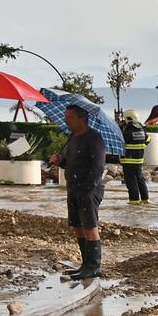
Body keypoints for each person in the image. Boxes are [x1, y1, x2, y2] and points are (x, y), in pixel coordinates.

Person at [50, 103, 106, 280]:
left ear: (82, 118)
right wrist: (60, 162)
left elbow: (98, 168)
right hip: (73, 188)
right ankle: (85, 264)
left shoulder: (94, 139)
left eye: (70, 118)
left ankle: (94, 266)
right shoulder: (72, 137)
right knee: (77, 226)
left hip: (89, 190)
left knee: (90, 226)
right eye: (65, 117)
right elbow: (71, 163)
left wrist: (87, 189)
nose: (66, 121)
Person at [120, 110, 149, 204]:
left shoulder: (126, 132)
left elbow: (120, 140)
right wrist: (141, 147)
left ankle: (134, 200)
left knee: (131, 181)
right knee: (140, 179)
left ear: (128, 118)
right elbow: (148, 139)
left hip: (128, 160)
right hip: (139, 160)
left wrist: (120, 127)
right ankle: (145, 199)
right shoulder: (141, 130)